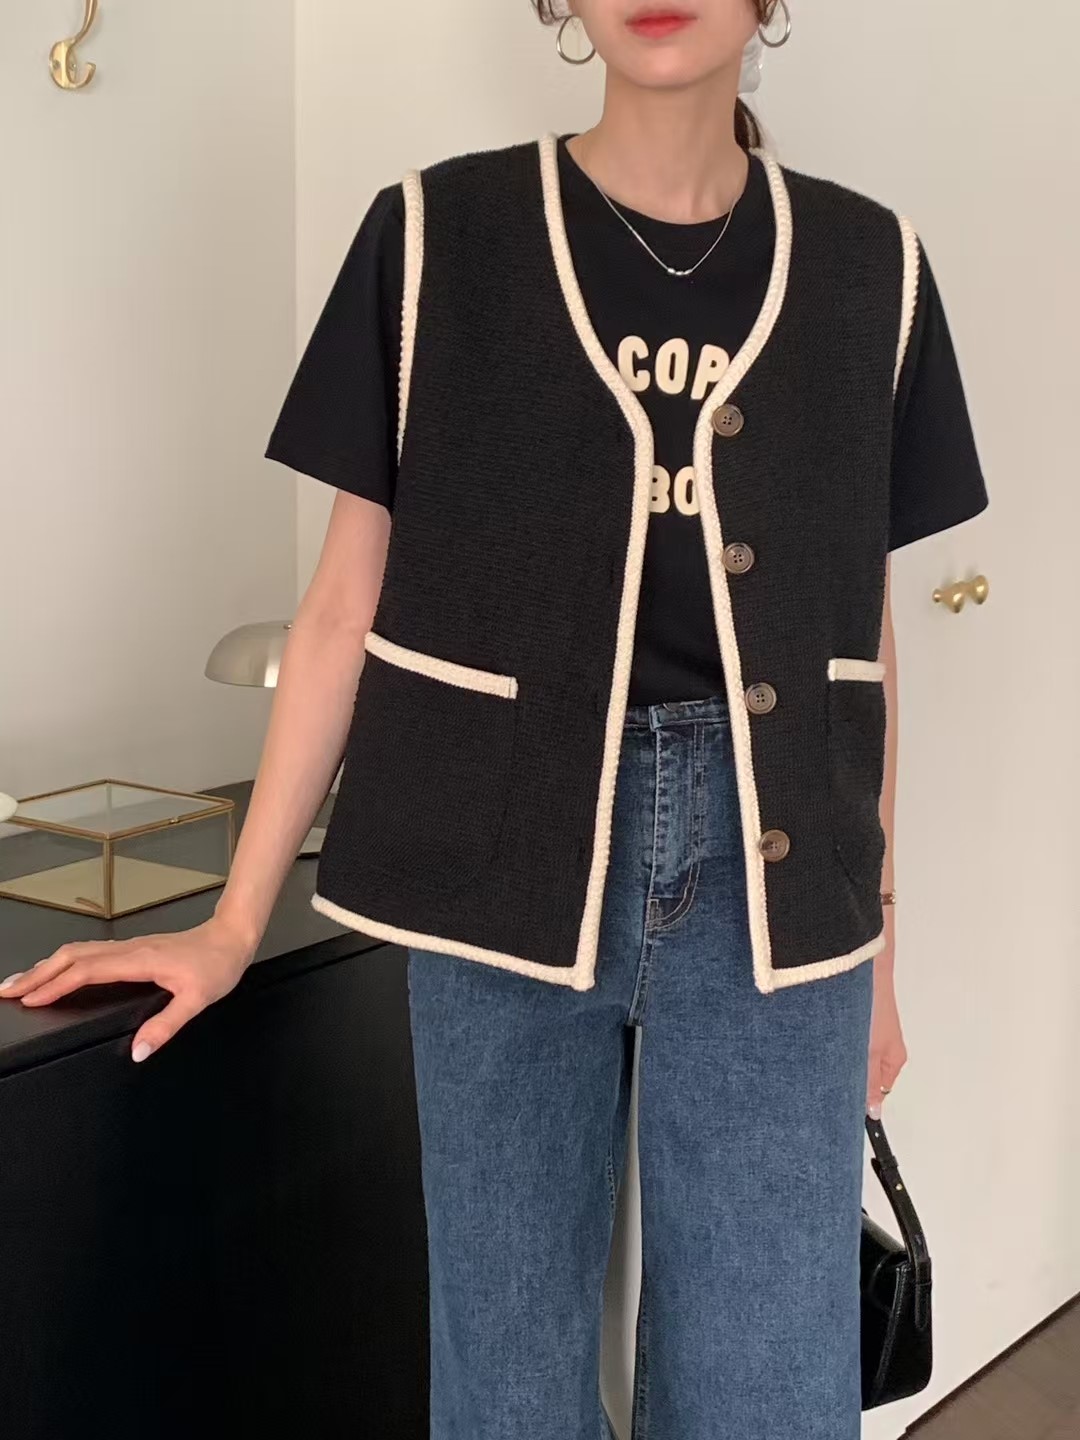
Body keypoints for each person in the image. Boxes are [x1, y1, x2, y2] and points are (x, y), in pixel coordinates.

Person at [2, 1, 988, 1435]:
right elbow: (343, 607)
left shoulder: (869, 271)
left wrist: (878, 958)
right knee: (506, 1386)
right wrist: (232, 921)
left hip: (778, 886)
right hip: (491, 854)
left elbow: (861, 646)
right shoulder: (433, 239)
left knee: (771, 1391)